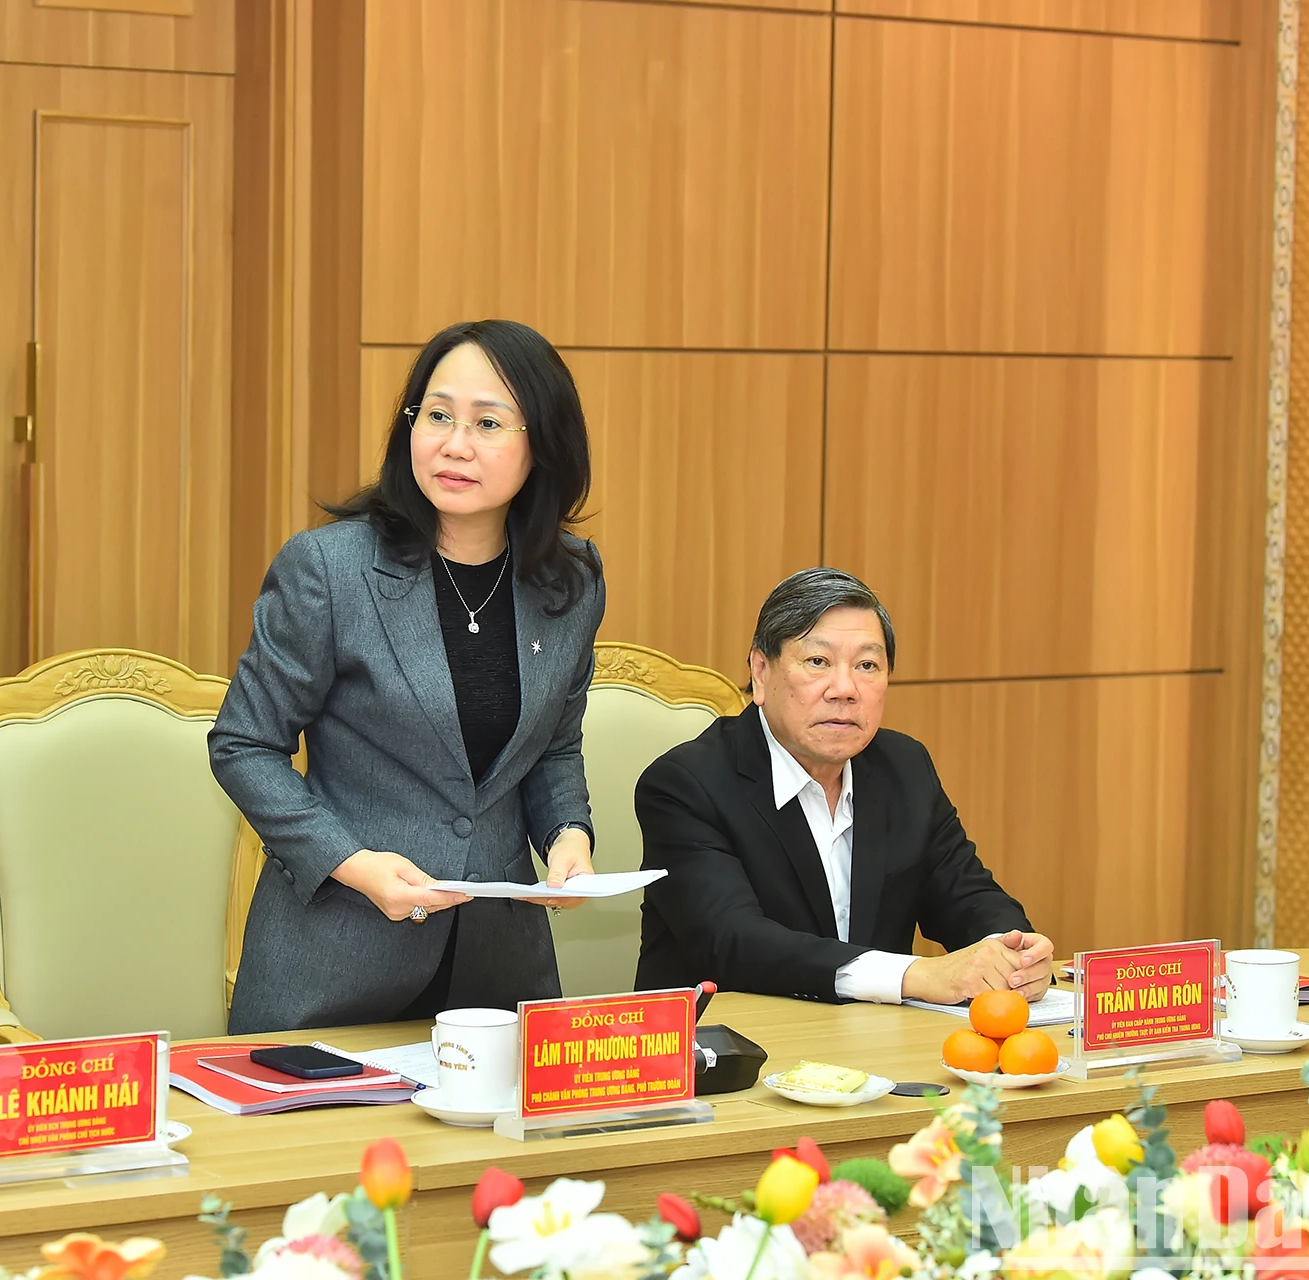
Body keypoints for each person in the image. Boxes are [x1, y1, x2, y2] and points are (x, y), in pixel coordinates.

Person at [213, 319, 606, 1034]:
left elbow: (553, 748)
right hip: (336, 962)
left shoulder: (570, 582)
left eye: (488, 422)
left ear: (542, 446)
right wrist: (355, 863)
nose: (455, 444)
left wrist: (568, 838)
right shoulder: (329, 570)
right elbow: (244, 744)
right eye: (437, 415)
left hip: (497, 971)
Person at [634, 568, 1053, 1005]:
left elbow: (967, 894)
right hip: (725, 1050)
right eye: (818, 662)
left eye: (867, 665)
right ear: (761, 672)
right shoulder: (686, 784)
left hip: (870, 1049)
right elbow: (733, 941)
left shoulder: (903, 768)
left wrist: (1014, 953)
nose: (845, 689)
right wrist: (915, 975)